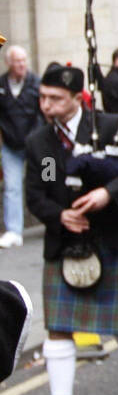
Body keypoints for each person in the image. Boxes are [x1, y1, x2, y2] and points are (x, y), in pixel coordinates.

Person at [24, 63, 118, 395]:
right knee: (59, 328)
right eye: (43, 97)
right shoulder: (43, 144)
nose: (46, 106)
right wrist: (60, 214)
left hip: (111, 239)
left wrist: (107, 193)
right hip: (67, 245)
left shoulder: (110, 127)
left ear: (77, 98)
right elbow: (40, 192)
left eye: (55, 99)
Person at [0, 44, 39, 248]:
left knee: (49, 177)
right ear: (8, 63)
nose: (22, 64)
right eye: (17, 61)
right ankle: (14, 231)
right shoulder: (1, 85)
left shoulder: (36, 83)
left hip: (38, 146)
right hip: (10, 146)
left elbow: (44, 112)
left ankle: (54, 221)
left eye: (24, 60)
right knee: (12, 187)